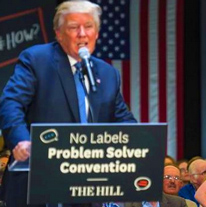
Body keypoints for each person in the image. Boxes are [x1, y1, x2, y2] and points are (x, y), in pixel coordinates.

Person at [0, 1, 136, 206]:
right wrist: (21, 141)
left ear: (97, 33)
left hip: (89, 185)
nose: (82, 34)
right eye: (74, 27)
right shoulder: (37, 59)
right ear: (59, 33)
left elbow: (122, 119)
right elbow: (11, 102)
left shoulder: (107, 74)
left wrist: (141, 142)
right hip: (39, 181)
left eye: (89, 26)